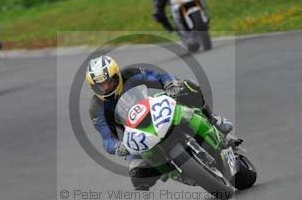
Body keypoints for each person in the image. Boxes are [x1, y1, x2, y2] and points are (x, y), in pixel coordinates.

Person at [86, 55, 233, 190]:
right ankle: (168, 169)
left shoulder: (131, 73)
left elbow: (160, 76)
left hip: (156, 110)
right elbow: (106, 139)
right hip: (135, 137)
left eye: (109, 82)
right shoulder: (96, 108)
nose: (106, 88)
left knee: (187, 86)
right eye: (100, 86)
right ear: (93, 88)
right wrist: (118, 147)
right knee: (138, 176)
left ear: (117, 75)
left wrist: (170, 84)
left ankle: (213, 119)